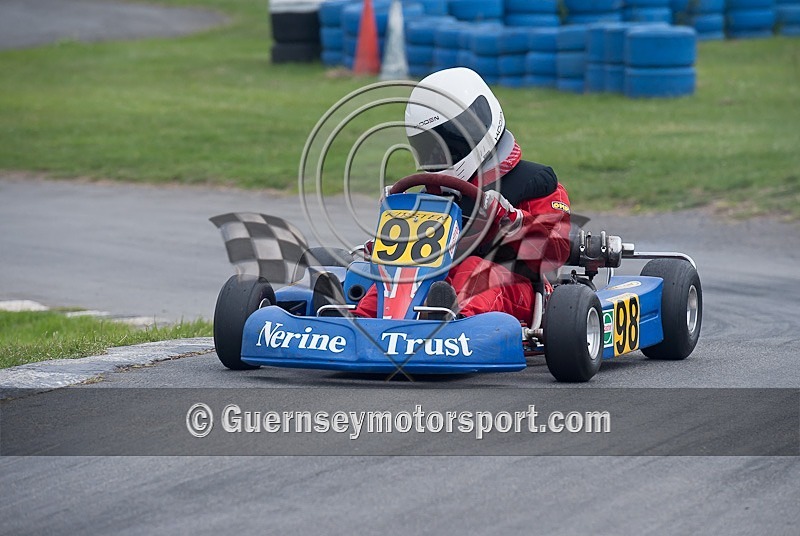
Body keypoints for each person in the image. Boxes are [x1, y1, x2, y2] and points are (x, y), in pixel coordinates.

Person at [315, 67, 571, 322]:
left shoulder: (534, 183)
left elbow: (556, 250)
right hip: (443, 280)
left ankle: (450, 320)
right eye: (429, 147)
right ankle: (356, 323)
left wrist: (514, 221)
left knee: (474, 270)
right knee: (395, 278)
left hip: (520, 287)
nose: (438, 157)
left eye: (447, 143)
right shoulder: (434, 194)